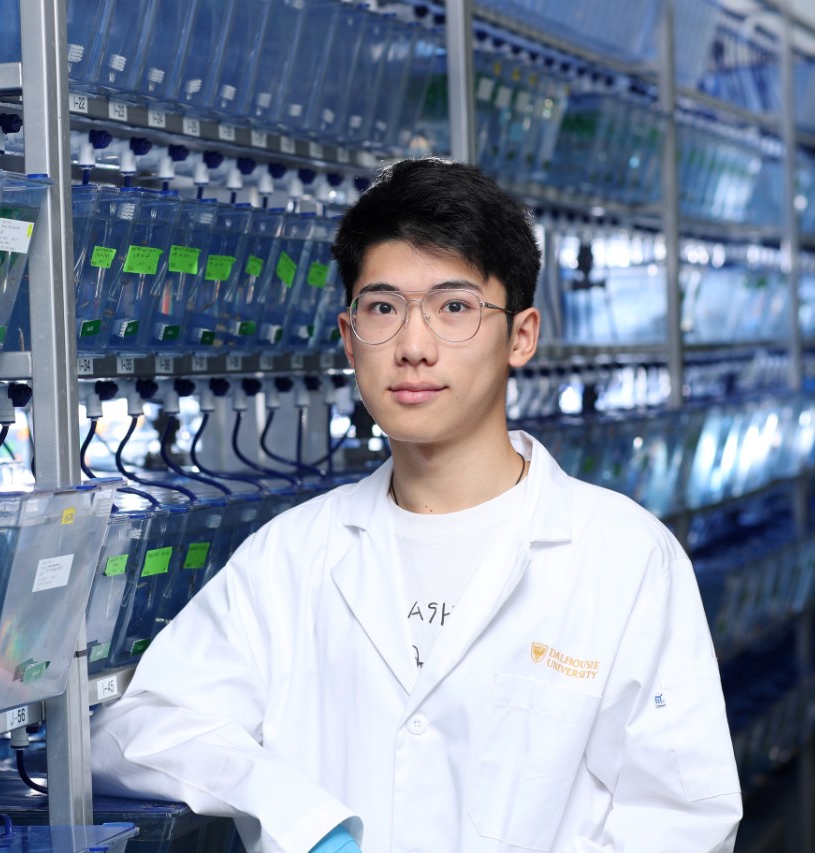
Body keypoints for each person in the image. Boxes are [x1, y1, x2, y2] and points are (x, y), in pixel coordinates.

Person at [91, 158, 742, 853]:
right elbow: (138, 728)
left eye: (454, 307)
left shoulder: (625, 555)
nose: (413, 346)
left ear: (522, 335)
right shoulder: (294, 554)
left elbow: (683, 818)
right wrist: (299, 813)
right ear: (348, 337)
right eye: (382, 307)